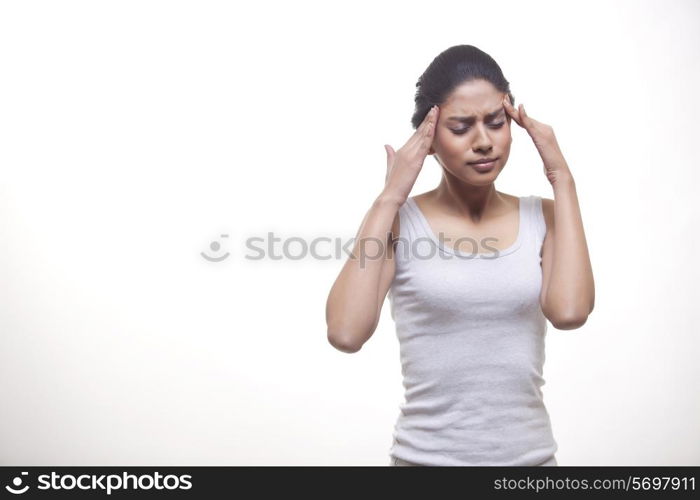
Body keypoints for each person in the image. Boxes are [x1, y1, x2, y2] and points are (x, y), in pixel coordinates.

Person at [325, 44, 595, 466]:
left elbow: (570, 312)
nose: (484, 142)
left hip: (532, 463)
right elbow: (345, 333)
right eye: (461, 127)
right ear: (428, 138)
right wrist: (390, 198)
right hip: (424, 462)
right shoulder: (400, 223)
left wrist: (563, 178)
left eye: (496, 122)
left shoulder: (543, 216)